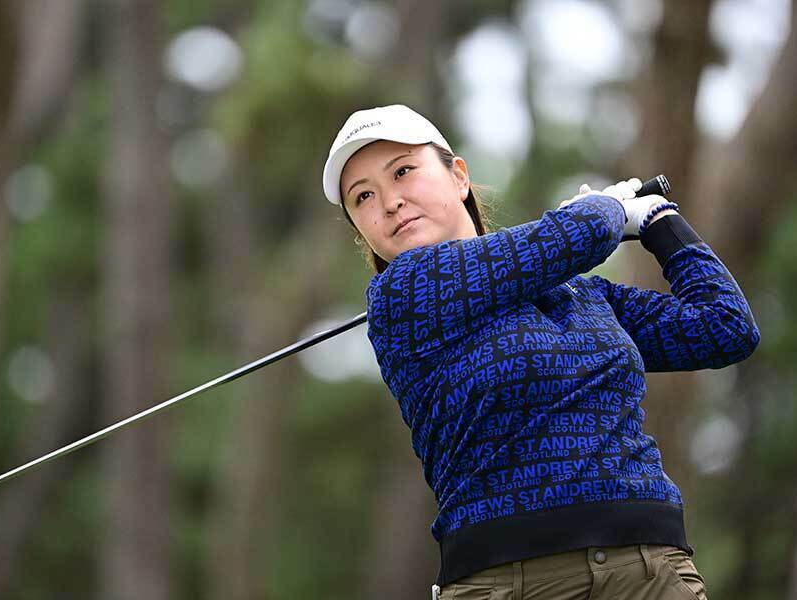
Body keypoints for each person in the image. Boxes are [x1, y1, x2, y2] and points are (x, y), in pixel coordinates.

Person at [321, 104, 760, 600]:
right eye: (363, 197)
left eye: (403, 171)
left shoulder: (580, 293)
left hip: (652, 568)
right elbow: (581, 233)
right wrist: (608, 209)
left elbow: (724, 327)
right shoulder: (403, 294)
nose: (390, 202)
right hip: (507, 581)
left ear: (458, 176)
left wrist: (660, 221)